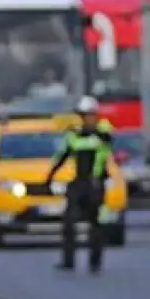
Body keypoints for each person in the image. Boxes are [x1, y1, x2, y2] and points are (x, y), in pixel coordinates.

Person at [44, 95, 115, 273]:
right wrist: (50, 176)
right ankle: (68, 260)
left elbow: (105, 140)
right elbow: (62, 156)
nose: (87, 119)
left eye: (90, 115)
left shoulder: (103, 133)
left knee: (96, 225)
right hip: (79, 182)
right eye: (84, 116)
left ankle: (95, 262)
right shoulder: (74, 135)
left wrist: (89, 131)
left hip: (96, 183)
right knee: (69, 222)